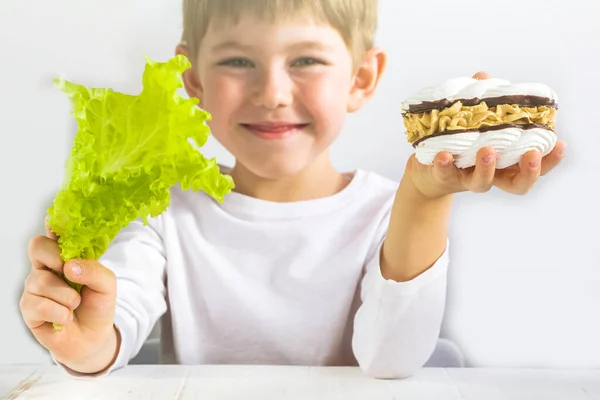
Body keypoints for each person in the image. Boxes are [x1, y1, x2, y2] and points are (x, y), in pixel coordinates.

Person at [19, 0, 567, 379]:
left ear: (360, 78)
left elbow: (391, 361)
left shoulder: (388, 212)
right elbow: (119, 314)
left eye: (305, 61)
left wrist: (424, 196)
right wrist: (86, 343)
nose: (274, 92)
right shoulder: (163, 213)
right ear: (192, 79)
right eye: (238, 61)